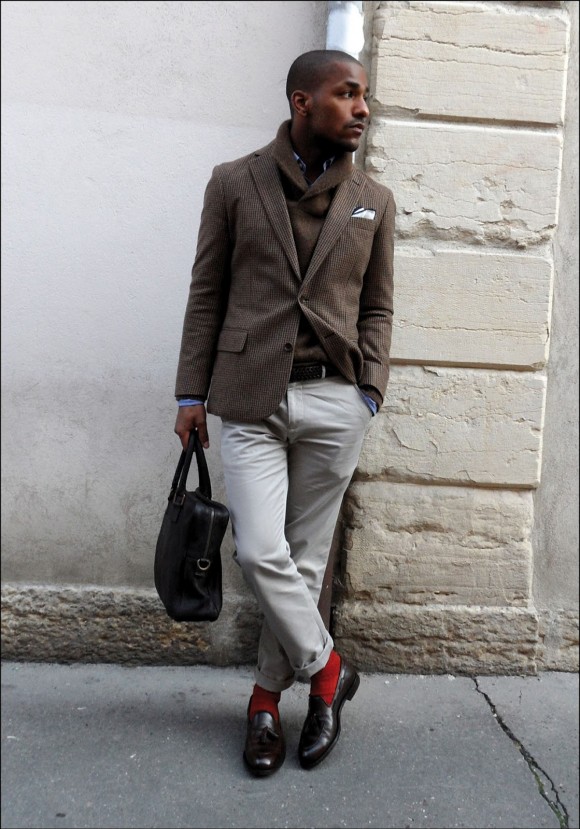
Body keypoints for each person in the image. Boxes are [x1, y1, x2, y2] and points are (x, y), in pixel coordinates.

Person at [173, 49, 395, 776]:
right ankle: (329, 673)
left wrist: (369, 392)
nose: (361, 107)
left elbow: (378, 305)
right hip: (248, 395)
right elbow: (207, 290)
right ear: (304, 101)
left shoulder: (373, 198)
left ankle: (266, 705)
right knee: (258, 550)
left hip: (337, 397)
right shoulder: (234, 182)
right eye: (347, 94)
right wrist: (190, 393)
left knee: (303, 564)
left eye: (364, 95)